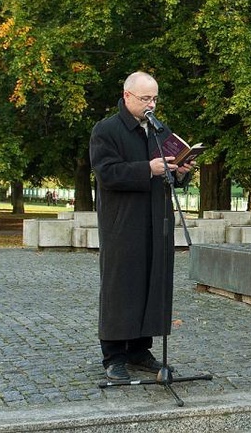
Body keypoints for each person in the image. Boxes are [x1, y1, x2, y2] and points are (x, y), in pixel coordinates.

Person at [89, 71, 195, 381]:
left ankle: (139, 350)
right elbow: (106, 173)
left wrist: (181, 171)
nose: (151, 104)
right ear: (127, 97)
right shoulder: (106, 130)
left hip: (156, 220)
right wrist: (146, 169)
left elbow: (170, 173)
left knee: (151, 283)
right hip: (123, 223)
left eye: (155, 99)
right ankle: (114, 354)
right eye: (145, 98)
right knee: (121, 287)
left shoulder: (160, 132)